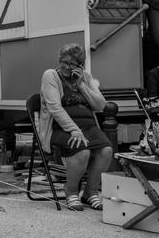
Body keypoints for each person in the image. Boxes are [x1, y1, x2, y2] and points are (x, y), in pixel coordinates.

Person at [39, 43, 112, 211]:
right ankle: (71, 192)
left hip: (88, 126)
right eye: (64, 62)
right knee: (82, 150)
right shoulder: (51, 75)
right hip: (61, 128)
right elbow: (55, 108)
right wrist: (74, 130)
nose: (67, 66)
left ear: (79, 65)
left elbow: (100, 105)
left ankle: (90, 192)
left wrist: (81, 85)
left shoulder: (84, 77)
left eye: (72, 64)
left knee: (106, 150)